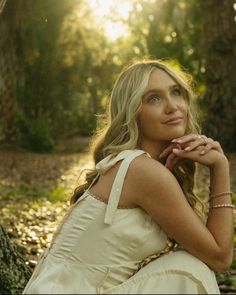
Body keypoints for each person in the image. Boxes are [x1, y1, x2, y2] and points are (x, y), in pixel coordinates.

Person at [22, 59, 234, 294]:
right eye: (154, 98)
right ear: (132, 112)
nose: (173, 106)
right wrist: (220, 168)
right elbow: (220, 257)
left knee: (184, 263)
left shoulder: (133, 164)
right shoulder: (142, 170)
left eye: (176, 93)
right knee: (190, 268)